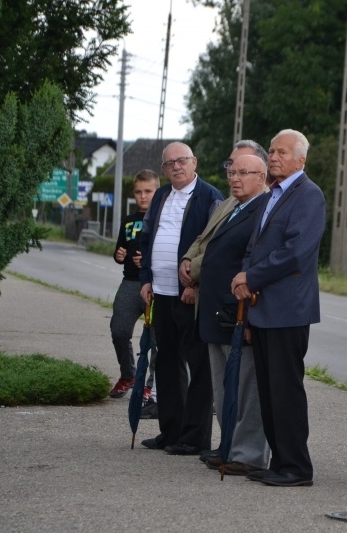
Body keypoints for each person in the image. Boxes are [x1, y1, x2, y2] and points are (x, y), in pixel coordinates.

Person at [231, 129, 325, 487]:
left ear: (301, 159)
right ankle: (279, 461)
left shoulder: (308, 196)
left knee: (286, 391)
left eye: (282, 152)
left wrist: (251, 277)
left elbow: (296, 252)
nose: (273, 157)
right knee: (269, 391)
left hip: (288, 308)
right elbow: (256, 245)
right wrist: (244, 275)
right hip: (262, 307)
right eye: (271, 151)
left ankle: (297, 467)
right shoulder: (273, 194)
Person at [178, 140, 270, 473]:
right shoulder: (234, 205)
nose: (234, 177)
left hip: (237, 310)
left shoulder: (263, 210)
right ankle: (229, 444)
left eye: (243, 172)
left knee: (245, 387)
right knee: (222, 386)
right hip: (214, 309)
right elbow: (208, 242)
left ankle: (248, 454)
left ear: (262, 177)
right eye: (232, 171)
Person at [138, 142, 224, 455]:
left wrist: (196, 285)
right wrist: (146, 278)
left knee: (198, 366)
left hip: (189, 296)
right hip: (159, 293)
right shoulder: (160, 195)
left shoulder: (210, 196)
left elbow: (214, 245)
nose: (176, 166)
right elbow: (147, 238)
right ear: (163, 169)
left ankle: (195, 437)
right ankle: (169, 431)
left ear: (194, 162)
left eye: (182, 160)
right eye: (170, 163)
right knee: (166, 363)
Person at [109, 170, 160, 400]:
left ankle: (151, 385)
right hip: (130, 282)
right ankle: (127, 375)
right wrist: (119, 255)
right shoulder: (129, 221)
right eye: (139, 192)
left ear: (157, 191)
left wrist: (149, 261)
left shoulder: (162, 217)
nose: (143, 196)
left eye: (148, 191)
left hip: (156, 284)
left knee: (157, 339)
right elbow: (120, 249)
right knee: (119, 329)